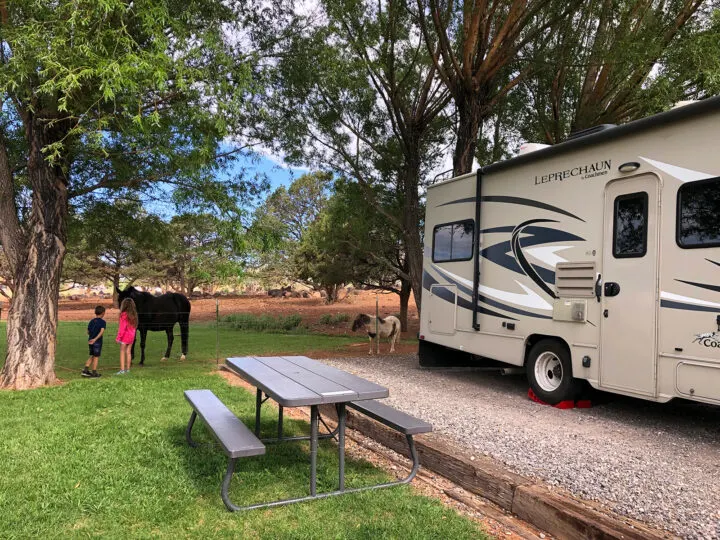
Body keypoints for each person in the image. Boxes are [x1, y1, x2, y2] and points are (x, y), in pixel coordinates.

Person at [82, 306, 106, 378]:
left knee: (92, 355)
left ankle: (85, 370)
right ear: (103, 313)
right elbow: (101, 332)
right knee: (96, 357)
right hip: (97, 342)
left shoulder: (91, 321)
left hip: (90, 341)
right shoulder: (102, 322)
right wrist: (95, 339)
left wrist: (91, 337)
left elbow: (88, 331)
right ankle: (94, 373)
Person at [116, 298, 138, 375]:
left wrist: (118, 337)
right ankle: (128, 370)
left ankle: (122, 370)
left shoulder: (123, 315)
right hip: (132, 336)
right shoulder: (134, 315)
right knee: (128, 352)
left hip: (125, 336)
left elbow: (122, 327)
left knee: (122, 352)